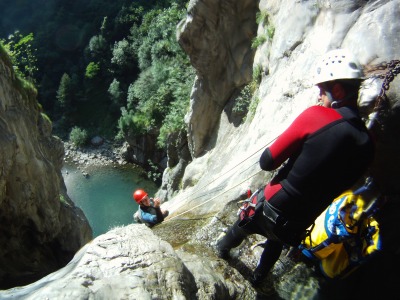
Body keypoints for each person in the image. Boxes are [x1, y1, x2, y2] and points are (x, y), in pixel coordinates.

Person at [215, 48, 375, 286]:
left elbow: (267, 162)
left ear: (338, 90)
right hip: (302, 219)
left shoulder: (317, 116)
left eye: (322, 89)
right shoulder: (368, 146)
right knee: (276, 241)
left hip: (275, 202)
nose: (319, 95)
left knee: (242, 226)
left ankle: (220, 251)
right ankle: (259, 278)